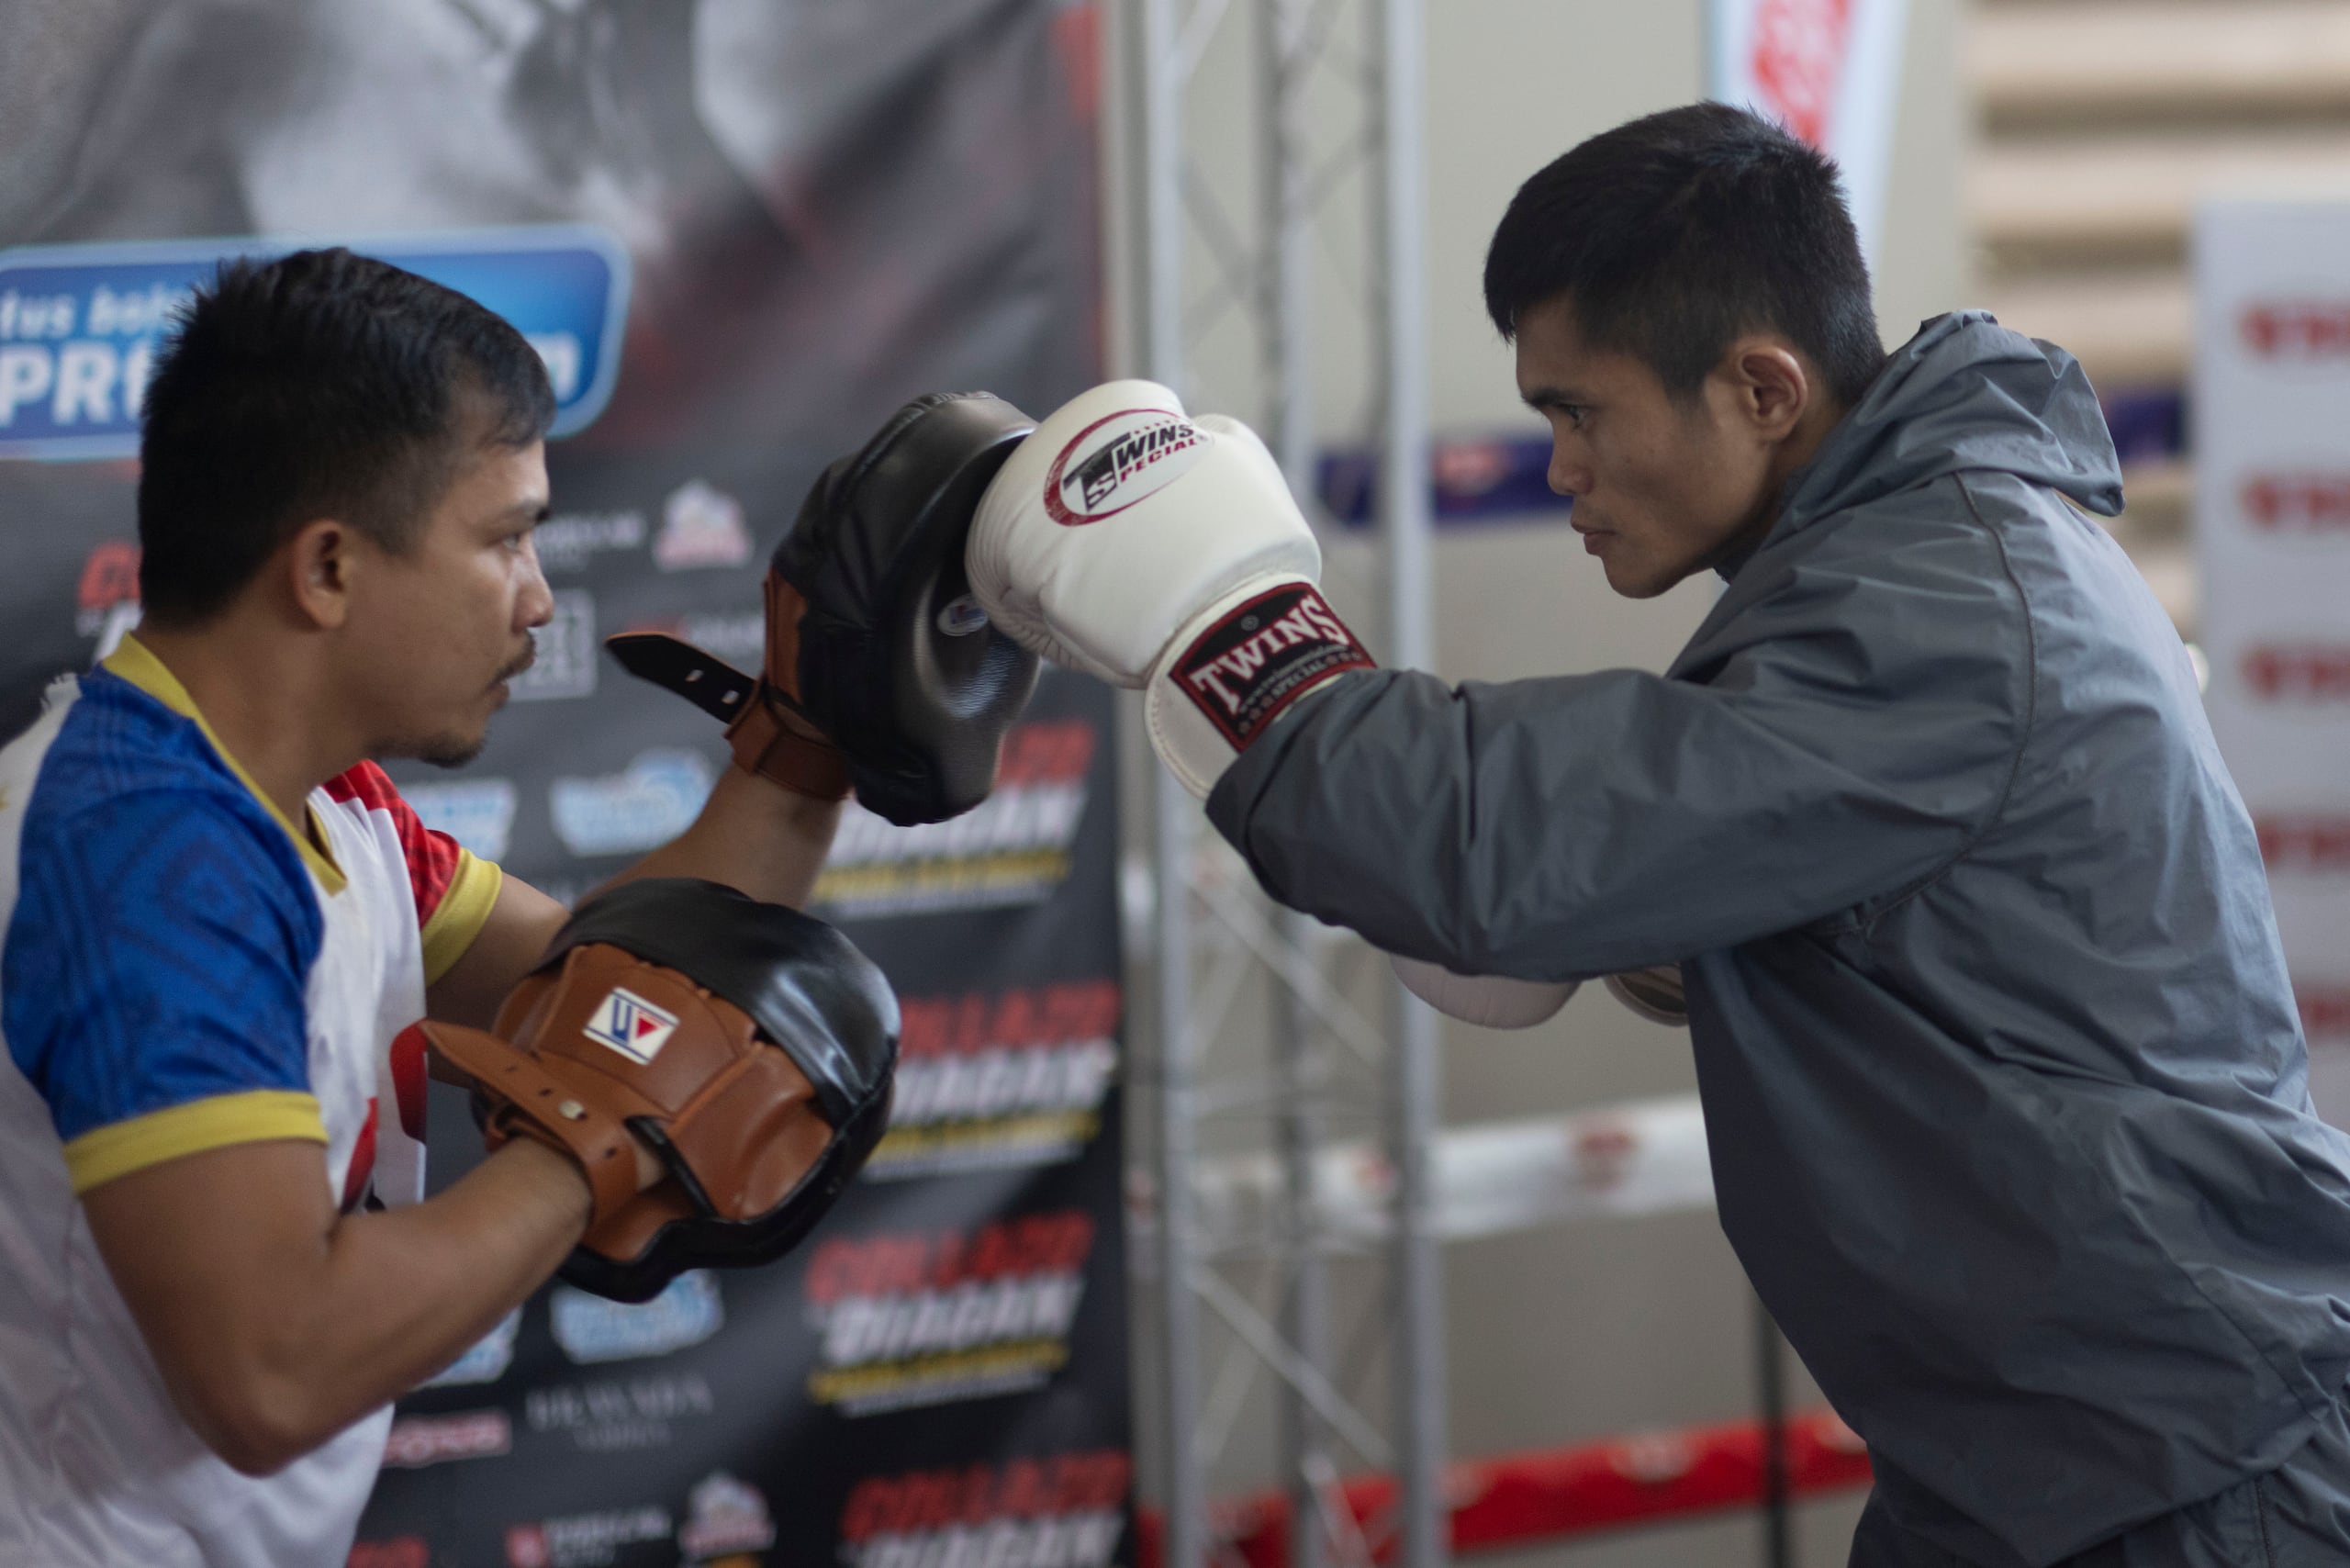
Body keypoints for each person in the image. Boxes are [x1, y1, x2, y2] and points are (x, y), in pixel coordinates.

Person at [963, 104, 2350, 1565]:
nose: (1560, 470)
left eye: (1579, 414)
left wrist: (1225, 623)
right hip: (2049, 1459)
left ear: (1761, 385)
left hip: (2189, 1472)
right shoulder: (1922, 550)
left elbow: (1487, 851)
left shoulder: (1939, 606)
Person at [0, 248, 1002, 1566]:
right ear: (329, 570)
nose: (539, 598)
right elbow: (270, 1373)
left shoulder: (306, 800)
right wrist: (596, 1140)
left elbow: (631, 982)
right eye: (504, 538)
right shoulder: (136, 853)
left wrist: (806, 744)